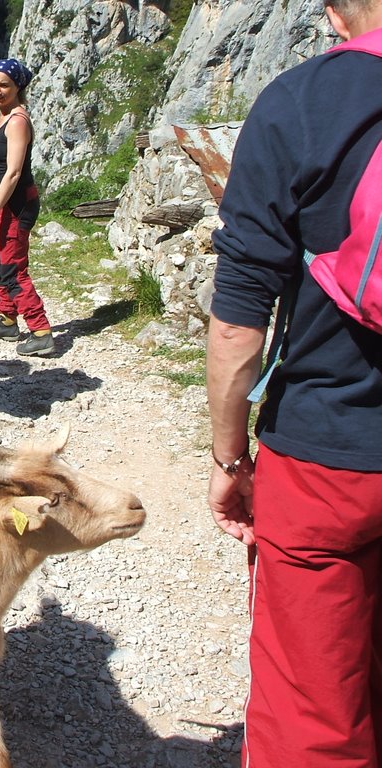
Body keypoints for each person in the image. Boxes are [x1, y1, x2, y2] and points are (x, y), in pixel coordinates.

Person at [206, 1, 382, 764]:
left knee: (313, 709)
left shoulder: (305, 102)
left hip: (327, 458)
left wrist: (227, 458)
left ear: (336, 11)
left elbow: (238, 326)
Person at [0, 58, 55, 357]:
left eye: (4, 85)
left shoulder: (18, 120)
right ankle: (8, 320)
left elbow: (14, 173)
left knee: (12, 268)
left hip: (17, 205)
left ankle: (41, 331)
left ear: (18, 87)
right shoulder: (4, 115)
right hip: (8, 203)